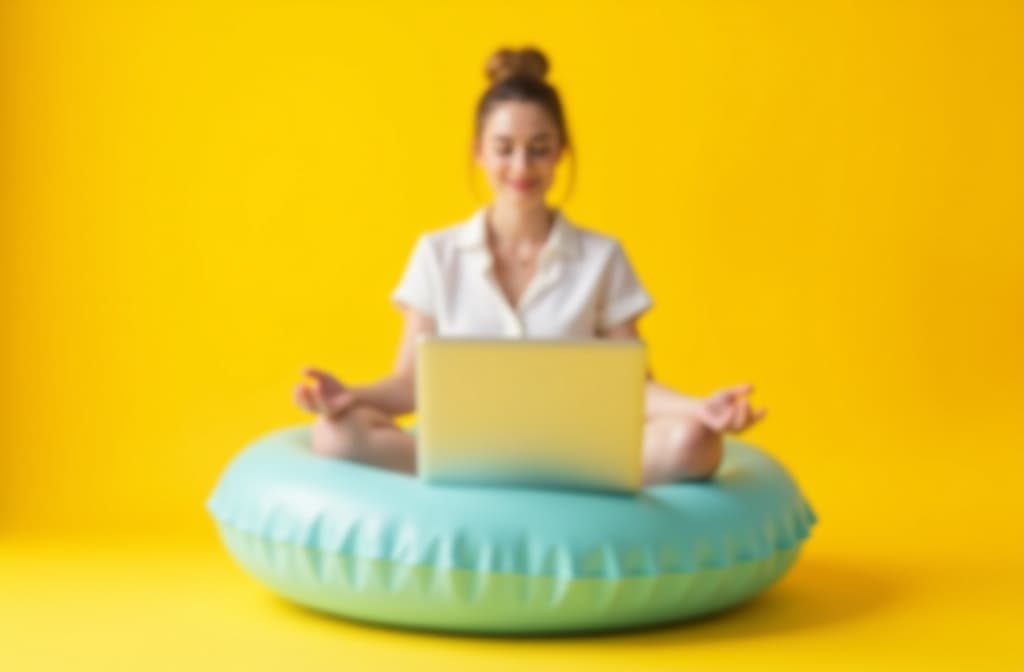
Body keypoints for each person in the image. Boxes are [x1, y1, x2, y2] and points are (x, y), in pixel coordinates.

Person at [293, 47, 765, 484]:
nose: (522, 166)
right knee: (336, 433)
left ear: (561, 152)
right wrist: (349, 397)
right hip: (460, 449)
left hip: (578, 452)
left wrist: (702, 408)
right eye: (504, 148)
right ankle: (480, 473)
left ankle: (569, 476)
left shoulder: (602, 257)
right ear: (479, 151)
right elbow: (410, 384)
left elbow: (634, 387)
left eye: (539, 148)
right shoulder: (436, 253)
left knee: (695, 443)